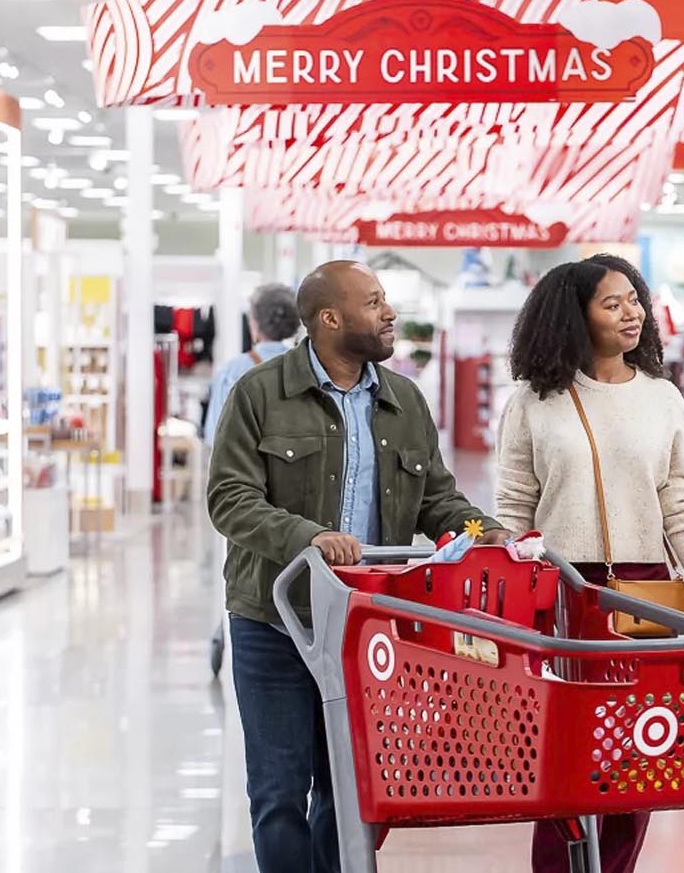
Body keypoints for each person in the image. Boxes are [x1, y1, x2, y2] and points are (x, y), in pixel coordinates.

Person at [206, 260, 509, 873]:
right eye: (374, 303)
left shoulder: (403, 402)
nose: (389, 312)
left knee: (350, 791)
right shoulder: (260, 393)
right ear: (329, 319)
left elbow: (437, 500)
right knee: (279, 793)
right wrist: (307, 537)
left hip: (365, 627)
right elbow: (230, 498)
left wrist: (487, 534)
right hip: (275, 621)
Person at [494, 254, 684, 873]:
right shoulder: (533, 402)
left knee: (641, 754)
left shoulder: (663, 398)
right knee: (563, 754)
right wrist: (506, 607)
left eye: (635, 300)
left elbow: (683, 509)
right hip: (562, 590)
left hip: (648, 592)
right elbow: (513, 510)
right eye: (612, 303)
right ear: (576, 316)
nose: (632, 314)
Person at [204, 283, 302, 445]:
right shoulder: (308, 368)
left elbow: (215, 436)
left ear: (255, 324)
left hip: (246, 466)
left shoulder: (231, 372)